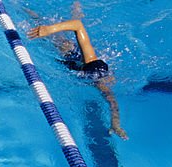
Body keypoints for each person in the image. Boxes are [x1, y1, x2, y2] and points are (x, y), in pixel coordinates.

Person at [26, 3, 128, 139]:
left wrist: (116, 125)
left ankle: (76, 7)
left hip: (74, 60)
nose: (111, 81)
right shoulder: (93, 67)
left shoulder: (97, 76)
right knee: (55, 36)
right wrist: (49, 29)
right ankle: (26, 9)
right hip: (69, 53)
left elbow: (113, 103)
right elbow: (77, 25)